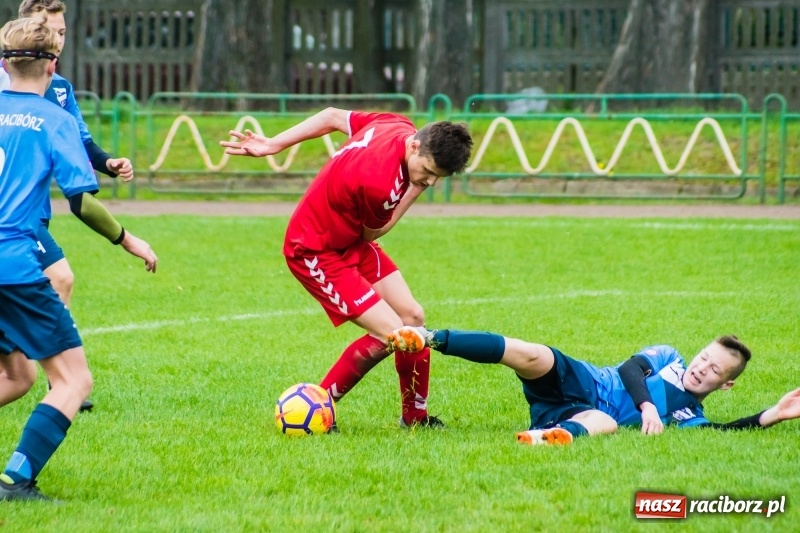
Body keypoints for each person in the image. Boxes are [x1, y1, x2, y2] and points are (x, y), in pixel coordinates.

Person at [221, 108, 472, 427]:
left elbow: (332, 117)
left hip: (349, 240)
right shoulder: (381, 184)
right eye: (428, 171)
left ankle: (414, 418)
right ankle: (315, 405)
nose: (431, 181)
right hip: (315, 249)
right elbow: (376, 231)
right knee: (395, 335)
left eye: (439, 177)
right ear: (415, 146)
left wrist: (275, 144)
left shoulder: (396, 124)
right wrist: (415, 189)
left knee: (412, 319)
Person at [0, 18, 157, 501]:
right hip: (15, 266)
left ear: (6, 64)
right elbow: (82, 201)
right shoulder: (56, 120)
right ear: (52, 66)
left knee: (17, 375)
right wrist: (128, 239)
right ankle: (16, 480)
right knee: (73, 380)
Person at [0, 0, 137, 412]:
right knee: (59, 276)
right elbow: (80, 199)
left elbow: (80, 140)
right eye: (48, 31)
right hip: (14, 225)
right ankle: (59, 376)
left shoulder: (59, 90)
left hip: (24, 220)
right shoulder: (12, 83)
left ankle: (49, 373)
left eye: (61, 32)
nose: (56, 41)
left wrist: (107, 162)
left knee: (60, 279)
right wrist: (128, 239)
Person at [387, 327, 800, 444]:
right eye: (704, 358)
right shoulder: (669, 356)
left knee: (604, 422)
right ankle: (431, 338)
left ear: (724, 386)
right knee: (532, 353)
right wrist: (648, 408)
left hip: (577, 412)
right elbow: (629, 370)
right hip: (583, 378)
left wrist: (774, 415)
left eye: (714, 372)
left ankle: (544, 438)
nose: (701, 369)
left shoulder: (692, 415)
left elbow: (723, 433)